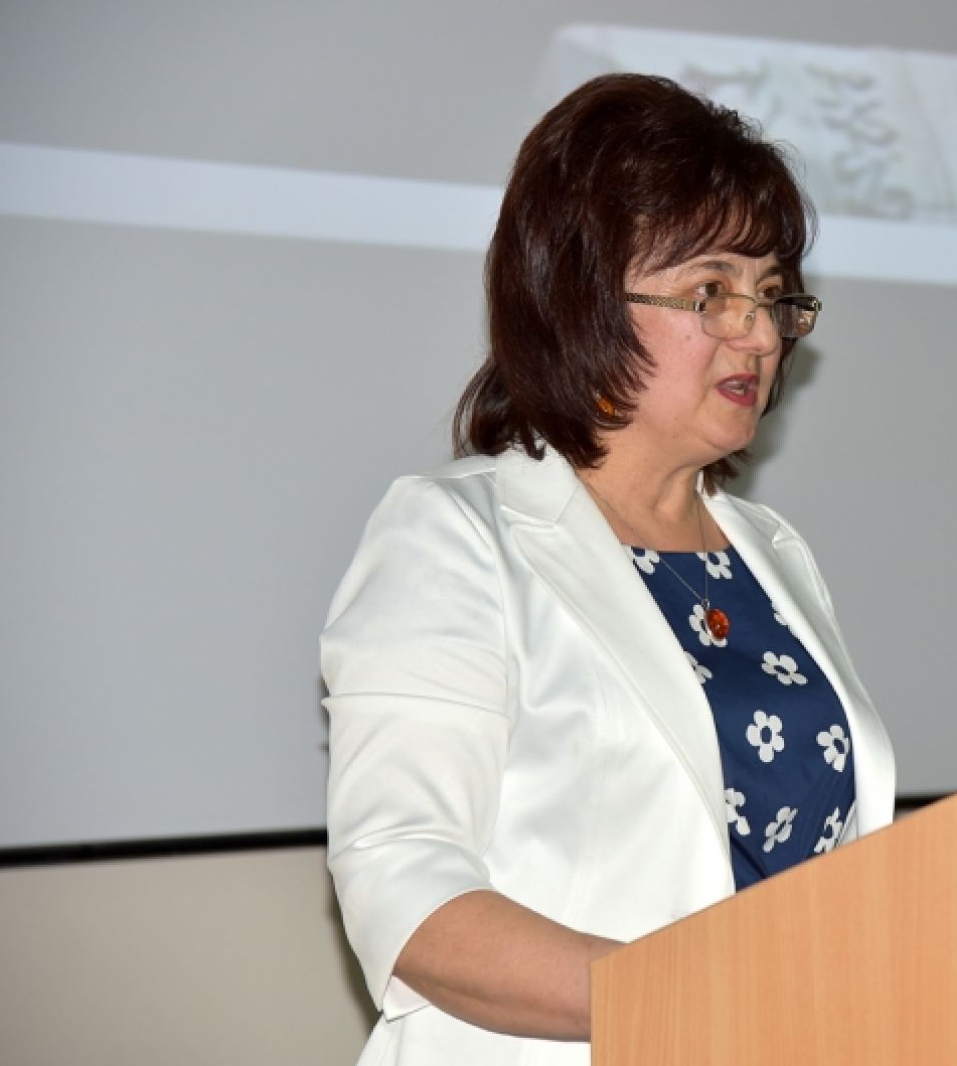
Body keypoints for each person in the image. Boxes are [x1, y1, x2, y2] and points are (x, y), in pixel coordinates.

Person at [320, 73, 896, 1065]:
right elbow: (404, 891)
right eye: (711, 292)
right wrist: (691, 1000)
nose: (758, 332)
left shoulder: (772, 553)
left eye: (771, 295)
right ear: (581, 299)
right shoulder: (455, 535)